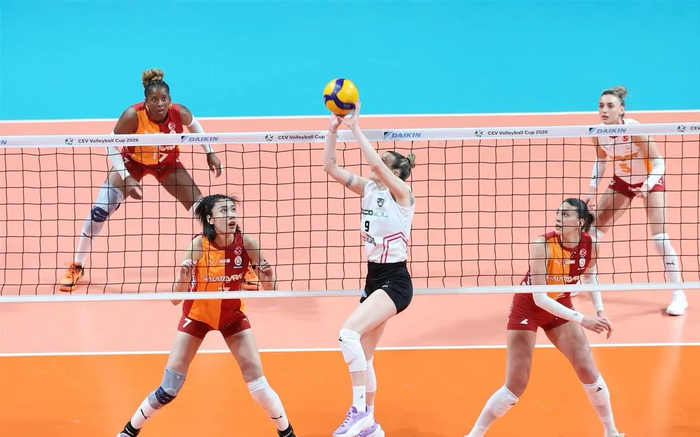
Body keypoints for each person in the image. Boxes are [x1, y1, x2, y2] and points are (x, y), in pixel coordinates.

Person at [116, 194, 296, 437]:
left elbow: (272, 291)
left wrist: (268, 278)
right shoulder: (198, 245)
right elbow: (175, 298)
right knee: (169, 388)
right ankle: (128, 431)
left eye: (233, 210)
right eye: (224, 211)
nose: (231, 215)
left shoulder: (247, 244)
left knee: (259, 386)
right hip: (197, 318)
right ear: (210, 219)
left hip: (232, 318)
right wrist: (183, 278)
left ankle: (287, 433)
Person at [59, 68, 232, 292]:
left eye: (164, 99)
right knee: (99, 212)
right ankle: (77, 265)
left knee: (205, 212)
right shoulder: (133, 115)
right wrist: (126, 177)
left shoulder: (179, 113)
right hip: (133, 163)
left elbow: (195, 125)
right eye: (154, 99)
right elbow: (109, 144)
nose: (160, 103)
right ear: (146, 102)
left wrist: (209, 151)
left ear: (170, 100)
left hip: (168, 165)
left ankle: (237, 261)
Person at [464, 198, 624, 437]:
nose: (558, 217)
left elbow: (590, 277)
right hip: (528, 308)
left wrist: (600, 311)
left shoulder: (590, 245)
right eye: (558, 212)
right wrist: (583, 319)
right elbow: (539, 298)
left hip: (560, 303)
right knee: (515, 387)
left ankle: (611, 432)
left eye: (566, 214)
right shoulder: (543, 245)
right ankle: (474, 434)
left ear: (580, 222)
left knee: (588, 370)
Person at [323, 102, 416, 437]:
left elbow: (374, 162)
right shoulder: (369, 188)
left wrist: (355, 127)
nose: (377, 163)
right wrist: (333, 131)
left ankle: (359, 413)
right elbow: (330, 166)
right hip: (373, 278)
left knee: (347, 333)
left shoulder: (402, 194)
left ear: (396, 173)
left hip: (396, 281)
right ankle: (370, 425)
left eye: (386, 161)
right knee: (365, 353)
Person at [583, 85, 687, 316]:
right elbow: (601, 161)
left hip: (650, 181)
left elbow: (659, 163)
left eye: (610, 106)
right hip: (622, 181)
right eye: (601, 106)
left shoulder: (635, 130)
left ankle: (679, 294)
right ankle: (580, 280)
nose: (604, 110)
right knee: (591, 233)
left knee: (660, 239)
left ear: (621, 109)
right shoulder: (596, 132)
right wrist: (592, 189)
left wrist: (647, 186)